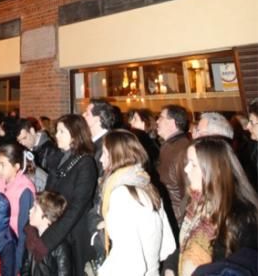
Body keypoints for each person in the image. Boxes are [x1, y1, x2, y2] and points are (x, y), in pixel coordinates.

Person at [165, 137, 258, 276]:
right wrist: (170, 268)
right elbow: (183, 247)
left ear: (215, 170)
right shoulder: (197, 204)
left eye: (193, 164)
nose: (186, 169)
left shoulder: (241, 217)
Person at [97, 129, 175, 275]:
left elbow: (132, 263)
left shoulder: (121, 194)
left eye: (105, 154)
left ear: (117, 157)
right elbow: (167, 246)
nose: (101, 159)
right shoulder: (147, 185)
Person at [27, 114, 98, 274]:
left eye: (61, 132)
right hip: (56, 231)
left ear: (75, 135)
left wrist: (48, 240)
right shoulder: (61, 158)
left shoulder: (86, 163)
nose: (56, 135)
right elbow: (47, 196)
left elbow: (78, 206)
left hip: (73, 234)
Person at [0, 143, 36, 272]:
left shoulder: (24, 190)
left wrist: (17, 265)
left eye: (3, 165)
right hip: (2, 242)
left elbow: (24, 231)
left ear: (16, 167)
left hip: (15, 248)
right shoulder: (1, 183)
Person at [157, 104, 190, 230]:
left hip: (175, 222)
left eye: (161, 117)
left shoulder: (182, 150)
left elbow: (189, 194)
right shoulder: (170, 146)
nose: (157, 121)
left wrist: (176, 222)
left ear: (172, 123)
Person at [22, 191, 71, 275]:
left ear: (46, 216)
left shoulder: (60, 248)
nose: (30, 211)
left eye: (35, 208)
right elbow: (25, 268)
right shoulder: (31, 234)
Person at [83, 99, 117, 174]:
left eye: (87, 114)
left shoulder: (109, 143)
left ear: (97, 118)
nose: (83, 115)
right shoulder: (89, 141)